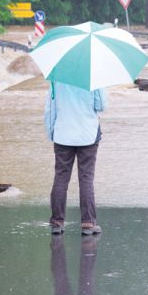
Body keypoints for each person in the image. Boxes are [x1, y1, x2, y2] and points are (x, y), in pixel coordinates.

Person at [44, 81, 107, 235]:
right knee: (86, 178)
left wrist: (52, 132)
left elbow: (50, 109)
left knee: (61, 177)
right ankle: (88, 223)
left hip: (63, 134)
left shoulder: (57, 77)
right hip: (87, 134)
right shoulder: (94, 75)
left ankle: (57, 222)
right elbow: (101, 105)